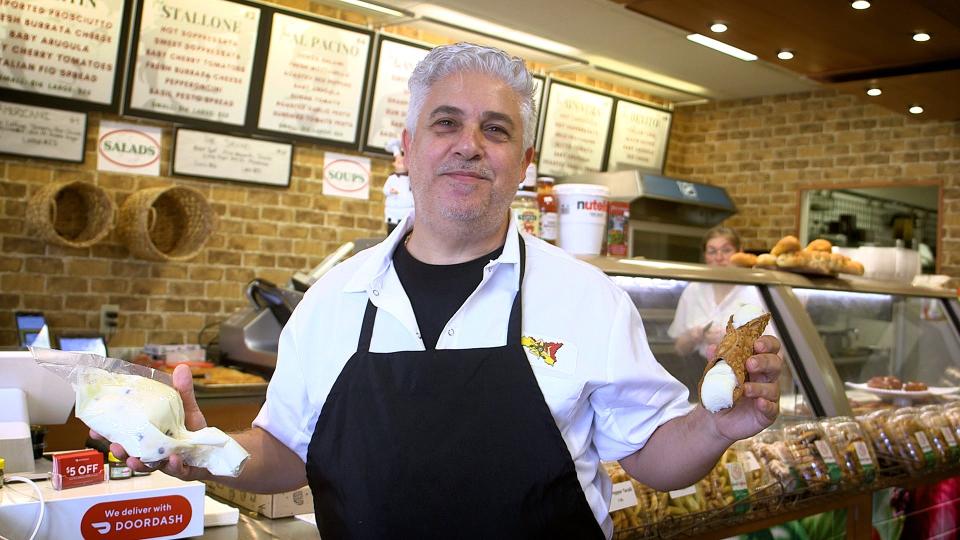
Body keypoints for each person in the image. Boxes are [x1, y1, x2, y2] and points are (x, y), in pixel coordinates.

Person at [98, 43, 783, 538]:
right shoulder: (335, 300)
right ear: (407, 148)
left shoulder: (587, 298)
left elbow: (654, 456)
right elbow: (285, 451)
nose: (469, 145)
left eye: (496, 129)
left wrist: (715, 424)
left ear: (525, 162)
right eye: (446, 123)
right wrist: (199, 448)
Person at [669, 226, 772, 359]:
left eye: (726, 250)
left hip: (742, 373)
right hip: (696, 371)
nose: (719, 257)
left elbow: (770, 350)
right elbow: (679, 349)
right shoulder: (693, 290)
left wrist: (731, 342)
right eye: (712, 251)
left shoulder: (755, 292)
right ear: (705, 255)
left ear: (739, 252)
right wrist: (691, 336)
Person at [382, 138, 414, 234]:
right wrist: (390, 191)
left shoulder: (411, 178)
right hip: (393, 209)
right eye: (398, 162)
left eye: (402, 162)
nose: (400, 164)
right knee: (392, 231)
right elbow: (385, 189)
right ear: (394, 164)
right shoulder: (391, 178)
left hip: (407, 209)